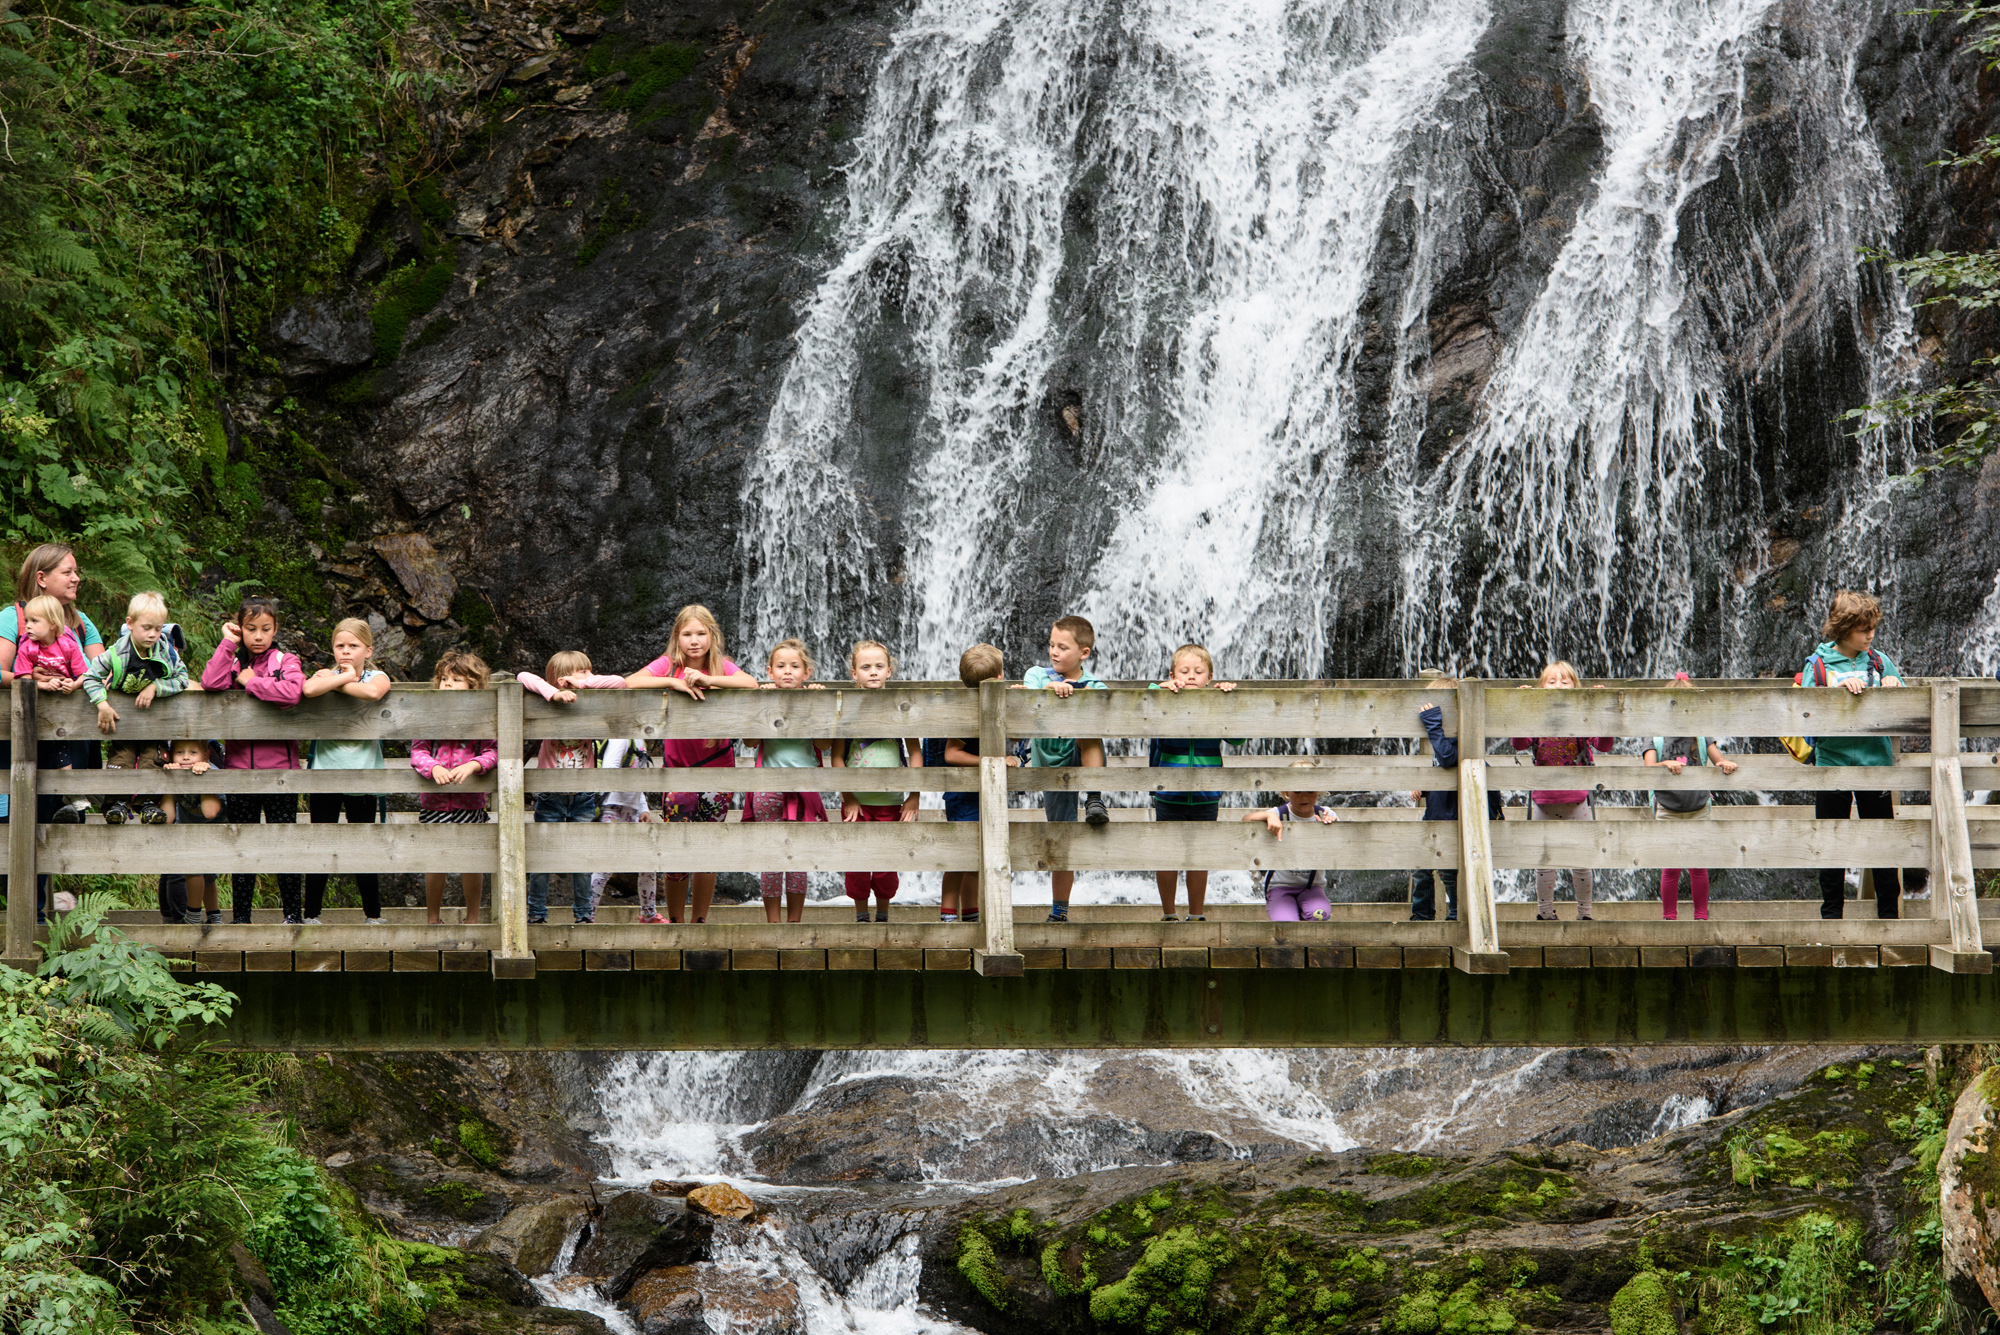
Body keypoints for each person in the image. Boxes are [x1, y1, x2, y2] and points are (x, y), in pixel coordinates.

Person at [622, 605, 761, 923]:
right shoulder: (668, 665)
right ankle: (676, 921)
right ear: (677, 637)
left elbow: (751, 684)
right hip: (679, 772)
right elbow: (631, 682)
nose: (694, 641)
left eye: (701, 634)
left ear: (712, 636)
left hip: (717, 769)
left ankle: (699, 921)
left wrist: (710, 680)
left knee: (708, 850)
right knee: (676, 851)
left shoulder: (721, 666)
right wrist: (673, 683)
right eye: (687, 634)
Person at [1803, 590, 1909, 919]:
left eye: (1872, 628)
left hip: (1875, 765)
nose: (1870, 635)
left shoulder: (1879, 661)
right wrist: (1833, 694)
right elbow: (1803, 709)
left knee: (1883, 842)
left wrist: (1894, 683)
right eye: (1864, 630)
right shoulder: (1818, 665)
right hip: (1831, 765)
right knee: (1831, 840)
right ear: (1843, 628)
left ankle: (1889, 915)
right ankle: (1831, 914)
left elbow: (1908, 705)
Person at [199, 594, 305, 924]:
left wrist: (251, 682)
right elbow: (211, 683)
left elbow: (292, 693)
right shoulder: (233, 661)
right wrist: (227, 644)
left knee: (284, 846)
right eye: (250, 629)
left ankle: (293, 916)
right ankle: (241, 918)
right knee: (242, 846)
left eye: (265, 629)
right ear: (240, 628)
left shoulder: (286, 660)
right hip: (240, 770)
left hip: (280, 773)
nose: (258, 636)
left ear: (275, 630)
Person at [1, 544, 107, 829]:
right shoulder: (15, 618)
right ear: (41, 578)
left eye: (76, 572)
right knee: (17, 835)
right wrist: (33, 681)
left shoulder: (81, 623)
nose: (76, 578)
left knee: (59, 840)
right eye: (67, 572)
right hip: (22, 747)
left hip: (74, 743)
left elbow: (105, 670)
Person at [518, 650, 626, 924]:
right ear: (559, 678)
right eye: (582, 672)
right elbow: (522, 676)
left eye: (590, 672)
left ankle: (583, 914)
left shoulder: (589, 703)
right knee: (543, 859)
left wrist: (585, 683)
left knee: (582, 858)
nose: (589, 676)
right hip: (550, 796)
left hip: (583, 796)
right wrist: (553, 693)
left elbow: (620, 683)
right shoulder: (547, 701)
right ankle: (537, 914)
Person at [300, 619, 393, 925]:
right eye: (340, 646)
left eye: (353, 646)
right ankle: (312, 913)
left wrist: (346, 679)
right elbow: (310, 689)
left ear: (368, 650)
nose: (346, 651)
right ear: (332, 648)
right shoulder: (324, 674)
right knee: (321, 843)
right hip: (326, 772)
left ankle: (373, 914)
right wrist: (340, 678)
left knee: (362, 844)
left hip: (363, 773)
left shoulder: (377, 675)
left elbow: (374, 693)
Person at [1016, 615, 1109, 923]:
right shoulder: (1037, 675)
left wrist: (1077, 693)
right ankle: (1059, 911)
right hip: (1051, 768)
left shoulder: (1093, 684)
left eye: (1063, 647)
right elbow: (1029, 694)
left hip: (1079, 754)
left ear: (1084, 653)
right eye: (1051, 645)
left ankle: (1094, 795)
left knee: (1089, 730)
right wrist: (1051, 689)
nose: (1054, 652)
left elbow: (1105, 701)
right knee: (1061, 835)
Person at [1511, 661, 1612, 922]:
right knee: (1544, 862)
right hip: (1543, 800)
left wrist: (1600, 707)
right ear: (1541, 688)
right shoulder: (1535, 718)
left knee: (1581, 861)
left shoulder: (1582, 718)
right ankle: (1545, 913)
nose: (1558, 686)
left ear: (1576, 688)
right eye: (1551, 682)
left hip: (1577, 800)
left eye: (1565, 682)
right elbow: (1519, 743)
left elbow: (1604, 745)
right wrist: (1523, 705)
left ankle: (1585, 914)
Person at [830, 640, 922, 923]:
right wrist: (849, 797)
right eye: (866, 667)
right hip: (856, 804)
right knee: (857, 862)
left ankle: (883, 915)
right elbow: (836, 758)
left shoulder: (901, 709)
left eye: (879, 666)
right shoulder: (845, 711)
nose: (873, 672)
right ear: (854, 673)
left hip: (891, 802)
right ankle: (861, 916)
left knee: (886, 863)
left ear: (889, 671)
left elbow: (916, 752)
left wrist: (914, 795)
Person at [1147, 644, 1239, 922]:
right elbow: (1144, 706)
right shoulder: (1164, 700)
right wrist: (1160, 689)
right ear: (1172, 674)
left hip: (1206, 795)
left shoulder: (1214, 706)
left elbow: (1238, 739)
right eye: (1183, 671)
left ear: (1209, 678)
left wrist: (1227, 702)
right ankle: (1169, 914)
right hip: (1168, 793)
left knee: (1199, 857)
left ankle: (1197, 915)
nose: (1190, 676)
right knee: (1167, 855)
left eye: (1198, 672)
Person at [83, 591, 189, 826]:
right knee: (122, 758)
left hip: (155, 721)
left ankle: (149, 803)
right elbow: (90, 677)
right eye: (147, 627)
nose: (153, 634)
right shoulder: (115, 654)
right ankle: (116, 804)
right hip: (123, 721)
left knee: (154, 757)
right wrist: (102, 704)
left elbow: (183, 679)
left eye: (158, 629)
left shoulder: (167, 653)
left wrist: (156, 686)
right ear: (130, 624)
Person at [925, 643, 1013, 923]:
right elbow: (951, 753)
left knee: (975, 856)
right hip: (962, 795)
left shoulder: (987, 702)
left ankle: (971, 912)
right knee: (960, 857)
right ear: (999, 678)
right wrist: (990, 761)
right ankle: (948, 914)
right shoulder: (965, 712)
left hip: (982, 793)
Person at [745, 639, 829, 924]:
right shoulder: (766, 698)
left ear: (807, 674)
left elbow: (825, 744)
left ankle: (795, 921)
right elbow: (750, 740)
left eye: (795, 666)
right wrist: (763, 704)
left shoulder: (811, 701)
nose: (787, 672)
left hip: (804, 788)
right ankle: (773, 921)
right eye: (781, 666)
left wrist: (816, 705)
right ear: (770, 671)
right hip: (768, 787)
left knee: (797, 859)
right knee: (771, 857)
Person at [410, 651, 497, 925]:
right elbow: (418, 750)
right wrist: (433, 767)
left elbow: (492, 752)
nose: (447, 683)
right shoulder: (429, 715)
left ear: (474, 685)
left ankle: (473, 917)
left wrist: (472, 765)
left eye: (456, 679)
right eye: (443, 678)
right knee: (436, 861)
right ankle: (432, 918)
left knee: (472, 862)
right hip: (434, 802)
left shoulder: (482, 719)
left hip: (470, 802)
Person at [1643, 673, 1738, 921]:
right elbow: (1648, 768)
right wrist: (1664, 763)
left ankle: (1701, 916)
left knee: (1698, 865)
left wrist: (1725, 763)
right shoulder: (1656, 737)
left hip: (1698, 806)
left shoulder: (1701, 736)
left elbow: (1718, 758)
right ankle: (1669, 917)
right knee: (1671, 866)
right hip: (1667, 807)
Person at [1409, 678, 1503, 923]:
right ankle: (1422, 914)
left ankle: (1455, 914)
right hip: (1436, 812)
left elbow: (1450, 759)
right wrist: (1426, 788)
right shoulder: (1441, 740)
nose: (1429, 715)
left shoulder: (1461, 738)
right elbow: (1442, 770)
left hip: (1454, 816)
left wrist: (1432, 726)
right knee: (1421, 867)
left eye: (1434, 710)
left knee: (1449, 872)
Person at [1242, 759, 1340, 921]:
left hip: (1312, 886)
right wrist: (1268, 816)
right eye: (1297, 791)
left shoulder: (1325, 814)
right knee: (1286, 924)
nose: (1304, 796)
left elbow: (1342, 844)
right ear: (1287, 792)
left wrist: (1331, 828)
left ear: (1319, 791)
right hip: (1280, 887)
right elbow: (1246, 820)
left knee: (1319, 915)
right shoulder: (1278, 813)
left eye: (1310, 791)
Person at [586, 738, 657, 925]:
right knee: (605, 865)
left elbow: (637, 781)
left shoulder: (639, 741)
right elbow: (609, 770)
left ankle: (649, 914)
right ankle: (587, 915)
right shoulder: (621, 738)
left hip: (632, 809)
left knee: (649, 863)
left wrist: (643, 808)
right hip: (613, 807)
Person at [161, 739, 224, 923]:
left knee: (197, 869)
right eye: (179, 752)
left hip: (215, 830)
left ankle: (193, 916)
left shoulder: (212, 771)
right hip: (188, 829)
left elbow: (210, 812)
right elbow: (168, 817)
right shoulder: (177, 773)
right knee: (202, 872)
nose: (186, 757)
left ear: (205, 755)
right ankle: (214, 917)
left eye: (193, 753)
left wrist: (202, 780)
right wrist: (170, 783)